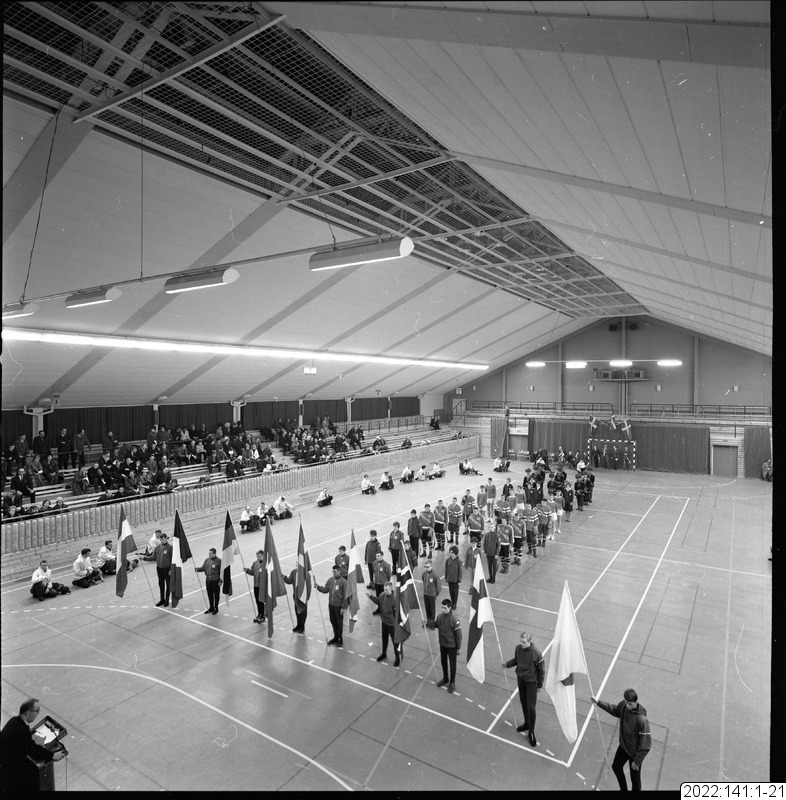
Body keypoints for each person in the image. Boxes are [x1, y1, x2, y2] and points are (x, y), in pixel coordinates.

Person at [1, 697, 66, 793]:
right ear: (28, 713)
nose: (38, 714)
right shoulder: (22, 730)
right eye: (37, 711)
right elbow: (34, 750)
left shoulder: (14, 721)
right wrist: (53, 755)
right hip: (10, 773)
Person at [591, 689, 651, 791]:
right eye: (626, 702)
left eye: (630, 704)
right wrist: (599, 702)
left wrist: (637, 762)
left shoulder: (642, 720)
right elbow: (615, 710)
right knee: (616, 767)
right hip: (624, 746)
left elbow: (645, 745)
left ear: (636, 702)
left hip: (634, 753)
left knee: (635, 781)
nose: (627, 706)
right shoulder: (623, 705)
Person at [502, 631, 544, 747]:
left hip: (531, 683)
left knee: (531, 707)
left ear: (529, 641)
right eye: (520, 641)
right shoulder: (518, 648)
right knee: (523, 703)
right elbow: (517, 660)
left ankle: (531, 731)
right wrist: (507, 664)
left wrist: (540, 685)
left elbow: (541, 671)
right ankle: (526, 723)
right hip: (521, 680)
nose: (521, 644)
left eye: (523, 642)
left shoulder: (537, 654)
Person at [426, 597, 462, 693]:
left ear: (450, 608)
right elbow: (436, 624)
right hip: (443, 644)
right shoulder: (440, 616)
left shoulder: (454, 620)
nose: (443, 609)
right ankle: (445, 678)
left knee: (452, 664)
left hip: (452, 646)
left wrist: (458, 648)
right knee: (443, 662)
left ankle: (452, 682)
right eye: (442, 607)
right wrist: (428, 623)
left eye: (445, 608)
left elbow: (459, 635)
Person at [367, 581, 402, 666]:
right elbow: (378, 601)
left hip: (392, 625)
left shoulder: (394, 600)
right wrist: (370, 596)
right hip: (384, 622)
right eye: (384, 590)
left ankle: (397, 657)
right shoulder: (382, 595)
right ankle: (384, 653)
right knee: (384, 639)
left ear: (391, 588)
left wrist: (397, 625)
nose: (385, 591)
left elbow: (397, 614)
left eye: (386, 590)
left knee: (395, 642)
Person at [315, 565, 348, 646]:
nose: (333, 573)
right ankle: (335, 637)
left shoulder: (344, 582)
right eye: (333, 571)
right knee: (333, 621)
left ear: (339, 571)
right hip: (331, 605)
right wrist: (318, 587)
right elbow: (326, 590)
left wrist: (343, 607)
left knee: (339, 623)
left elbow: (346, 596)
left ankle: (340, 639)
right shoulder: (330, 580)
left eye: (335, 572)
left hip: (338, 606)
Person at [283, 563, 309, 632]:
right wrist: (283, 577)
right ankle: (298, 625)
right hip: (295, 595)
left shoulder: (306, 574)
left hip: (303, 596)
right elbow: (289, 581)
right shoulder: (294, 572)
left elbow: (309, 586)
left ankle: (302, 626)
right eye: (297, 563)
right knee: (297, 610)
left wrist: (307, 596)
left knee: (303, 611)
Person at [195, 547, 222, 615]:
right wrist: (197, 569)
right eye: (208, 553)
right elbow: (203, 568)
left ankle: (216, 608)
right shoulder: (207, 560)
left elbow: (222, 572)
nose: (209, 555)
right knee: (209, 594)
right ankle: (211, 607)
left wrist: (220, 581)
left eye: (210, 553)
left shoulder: (219, 561)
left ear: (214, 554)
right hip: (208, 580)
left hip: (215, 581)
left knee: (216, 595)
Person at [244, 549, 266, 623]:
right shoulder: (255, 563)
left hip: (262, 586)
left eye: (259, 556)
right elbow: (252, 572)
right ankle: (259, 614)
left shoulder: (266, 564)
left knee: (261, 601)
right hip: (256, 585)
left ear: (263, 556)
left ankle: (262, 615)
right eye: (257, 556)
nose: (257, 558)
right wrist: (247, 570)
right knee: (257, 600)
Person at [155, 533, 173, 607]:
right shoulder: (158, 547)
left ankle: (167, 600)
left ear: (166, 538)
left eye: (162, 539)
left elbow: (172, 559)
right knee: (161, 584)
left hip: (167, 568)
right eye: (160, 539)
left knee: (168, 584)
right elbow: (153, 557)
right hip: (159, 568)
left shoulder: (170, 547)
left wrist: (171, 569)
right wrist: (144, 558)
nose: (161, 541)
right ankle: (162, 599)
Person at [421, 560, 442, 624]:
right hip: (425, 594)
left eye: (427, 567)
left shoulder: (434, 575)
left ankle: (432, 622)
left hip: (432, 595)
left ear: (431, 566)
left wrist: (436, 593)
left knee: (432, 608)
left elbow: (438, 585)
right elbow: (423, 580)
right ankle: (428, 621)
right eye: (425, 567)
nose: (426, 568)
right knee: (427, 608)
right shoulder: (424, 574)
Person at [444, 545, 462, 610]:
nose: (450, 553)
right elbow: (446, 569)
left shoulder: (458, 561)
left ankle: (455, 604)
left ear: (455, 553)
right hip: (450, 579)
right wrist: (446, 577)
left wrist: (459, 580)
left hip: (455, 580)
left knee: (455, 593)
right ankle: (452, 602)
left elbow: (460, 571)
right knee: (451, 592)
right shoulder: (448, 560)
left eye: (451, 552)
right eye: (450, 552)